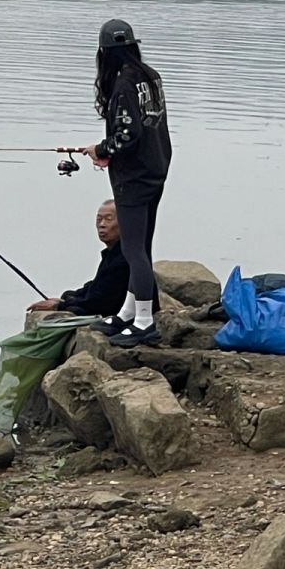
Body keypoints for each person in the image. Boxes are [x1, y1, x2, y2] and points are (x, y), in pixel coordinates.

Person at [77, 19, 172, 347]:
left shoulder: (123, 86)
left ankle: (144, 321)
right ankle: (128, 312)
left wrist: (99, 150)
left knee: (134, 250)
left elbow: (127, 136)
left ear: (105, 53)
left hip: (135, 178)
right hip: (157, 169)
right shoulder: (150, 77)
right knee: (141, 245)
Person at [27, 198, 159, 317]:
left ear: (125, 223)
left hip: (120, 314)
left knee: (73, 310)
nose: (102, 224)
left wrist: (59, 306)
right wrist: (66, 299)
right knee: (69, 295)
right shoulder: (111, 254)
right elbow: (97, 287)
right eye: (99, 219)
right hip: (106, 305)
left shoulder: (125, 258)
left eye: (108, 219)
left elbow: (100, 302)